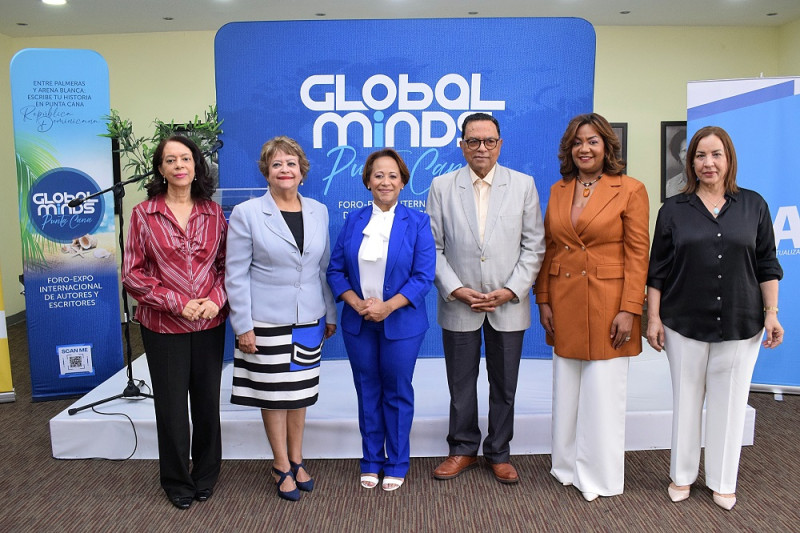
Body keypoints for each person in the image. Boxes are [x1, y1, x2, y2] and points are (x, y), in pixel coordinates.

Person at [646, 125, 783, 511]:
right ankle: (682, 476)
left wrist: (771, 313)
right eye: (700, 156)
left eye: (716, 154)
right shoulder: (673, 210)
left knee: (730, 404)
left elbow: (768, 264)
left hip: (742, 322)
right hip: (683, 322)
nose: (708, 163)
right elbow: (657, 271)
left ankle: (723, 480)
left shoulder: (754, 205)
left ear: (729, 159)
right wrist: (652, 319)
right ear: (690, 163)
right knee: (686, 401)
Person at [534, 113, 650, 502]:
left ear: (607, 147)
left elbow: (638, 254)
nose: (585, 148)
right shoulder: (558, 189)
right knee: (566, 391)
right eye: (578, 142)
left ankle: (599, 477)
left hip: (609, 303)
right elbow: (550, 248)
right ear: (569, 149)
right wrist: (543, 299)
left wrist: (630, 308)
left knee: (602, 394)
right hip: (564, 299)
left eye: (593, 141)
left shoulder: (631, 189)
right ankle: (566, 467)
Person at [426, 112, 546, 484]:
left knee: (504, 385)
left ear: (500, 144)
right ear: (461, 145)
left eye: (489, 141)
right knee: (460, 383)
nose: (481, 148)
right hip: (459, 303)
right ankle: (462, 448)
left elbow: (534, 246)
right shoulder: (442, 186)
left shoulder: (523, 184)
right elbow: (432, 248)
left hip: (507, 304)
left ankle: (499, 452)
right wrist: (456, 289)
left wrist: (510, 290)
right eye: (473, 141)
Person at [225, 136, 337, 502]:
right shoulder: (247, 213)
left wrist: (329, 313)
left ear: (302, 171)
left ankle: (297, 458)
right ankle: (279, 464)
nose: (284, 170)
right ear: (266, 173)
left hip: (310, 318)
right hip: (265, 322)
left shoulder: (319, 210)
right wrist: (243, 325)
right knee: (274, 397)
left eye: (291, 163)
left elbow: (323, 269)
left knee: (299, 394)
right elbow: (235, 274)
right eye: (277, 165)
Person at [122, 135, 228, 510]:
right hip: (164, 326)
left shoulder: (214, 214)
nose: (180, 165)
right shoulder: (143, 214)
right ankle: (176, 480)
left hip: (209, 325)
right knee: (170, 406)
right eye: (171, 160)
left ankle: (206, 474)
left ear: (196, 165)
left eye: (186, 158)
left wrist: (215, 301)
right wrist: (178, 303)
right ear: (161, 169)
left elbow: (225, 268)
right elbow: (132, 274)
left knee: (205, 404)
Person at [327, 149, 436, 492]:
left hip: (401, 323)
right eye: (378, 175)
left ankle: (397, 462)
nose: (385, 181)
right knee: (367, 391)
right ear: (367, 181)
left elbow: (423, 276)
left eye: (392, 175)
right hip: (358, 321)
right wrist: (357, 302)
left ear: (403, 182)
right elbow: (335, 270)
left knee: (397, 392)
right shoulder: (354, 221)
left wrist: (387, 307)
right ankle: (371, 460)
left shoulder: (417, 222)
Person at [664, 132, 688, 198]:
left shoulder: (710, 182)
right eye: (684, 150)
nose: (688, 155)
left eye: (692, 149)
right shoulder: (671, 185)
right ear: (678, 154)